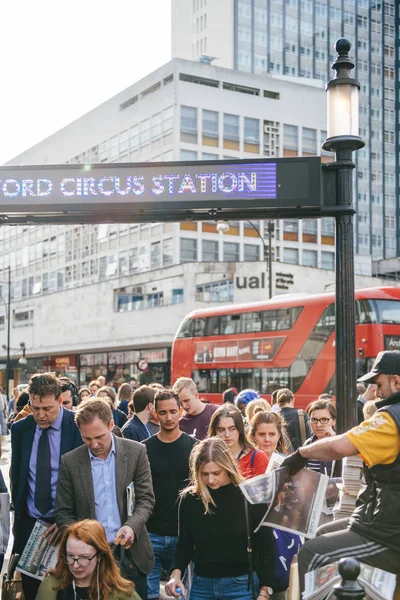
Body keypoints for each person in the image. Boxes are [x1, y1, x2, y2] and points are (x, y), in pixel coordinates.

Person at [281, 350, 400, 593]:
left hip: (388, 533)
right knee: (321, 534)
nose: (375, 393)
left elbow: (339, 445)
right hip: (378, 520)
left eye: (378, 384)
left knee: (312, 554)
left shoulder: (391, 419)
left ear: (397, 381)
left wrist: (300, 454)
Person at [55, 397, 155, 600]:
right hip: (89, 559)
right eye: (87, 438)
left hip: (130, 557)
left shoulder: (136, 452)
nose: (94, 444)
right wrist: (81, 543)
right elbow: (63, 512)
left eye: (100, 436)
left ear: (111, 425)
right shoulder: (70, 462)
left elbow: (146, 499)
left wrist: (132, 526)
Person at [165, 437, 276, 600]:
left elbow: (266, 545)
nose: (210, 480)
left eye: (216, 473)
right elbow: (184, 544)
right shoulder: (190, 499)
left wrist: (265, 590)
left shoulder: (249, 496)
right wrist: (175, 575)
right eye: (205, 474)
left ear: (228, 467)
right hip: (200, 585)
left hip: (241, 586)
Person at [11, 372, 83, 600]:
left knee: (65, 593)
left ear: (60, 401)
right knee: (33, 593)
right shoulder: (21, 429)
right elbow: (18, 477)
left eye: (47, 409)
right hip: (31, 527)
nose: (40, 415)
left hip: (68, 527)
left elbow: (84, 483)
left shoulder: (77, 427)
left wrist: (65, 521)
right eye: (35, 408)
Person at [143, 389, 197, 600]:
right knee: (148, 595)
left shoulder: (194, 448)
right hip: (150, 533)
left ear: (180, 411)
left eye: (173, 411)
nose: (168, 417)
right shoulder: (144, 449)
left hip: (183, 535)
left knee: (184, 595)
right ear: (155, 414)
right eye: (163, 412)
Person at [37, 519, 141, 600]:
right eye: (70, 556)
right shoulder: (51, 586)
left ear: (100, 555)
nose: (75, 565)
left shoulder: (122, 593)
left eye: (84, 558)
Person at [208, 404, 268, 478]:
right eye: (221, 430)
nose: (227, 435)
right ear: (215, 432)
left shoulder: (257, 457)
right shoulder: (209, 457)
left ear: (239, 429)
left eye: (232, 429)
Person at [304, 399, 341, 478]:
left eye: (324, 420)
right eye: (314, 420)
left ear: (334, 421)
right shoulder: (307, 444)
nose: (318, 424)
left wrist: (335, 442)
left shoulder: (340, 443)